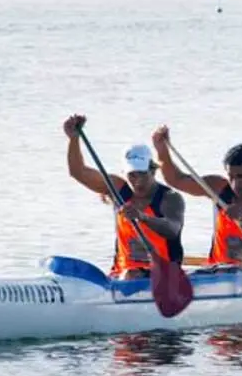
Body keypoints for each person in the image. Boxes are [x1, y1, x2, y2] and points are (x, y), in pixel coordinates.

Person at [63, 115, 185, 280]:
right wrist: (74, 139)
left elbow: (172, 230)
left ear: (153, 170)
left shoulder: (170, 197)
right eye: (132, 175)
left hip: (164, 275)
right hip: (121, 274)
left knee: (130, 274)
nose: (138, 181)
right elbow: (78, 172)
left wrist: (142, 217)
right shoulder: (117, 189)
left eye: (142, 174)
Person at [152, 127, 242, 267]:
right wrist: (162, 150)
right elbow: (176, 180)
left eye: (241, 177)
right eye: (231, 176)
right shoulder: (219, 188)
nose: (235, 184)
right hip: (216, 271)